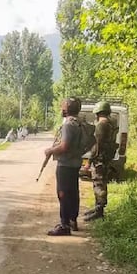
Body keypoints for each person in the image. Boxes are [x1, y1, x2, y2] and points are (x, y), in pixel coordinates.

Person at [44, 97, 84, 235]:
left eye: (63, 106)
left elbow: (64, 146)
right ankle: (72, 220)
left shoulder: (68, 124)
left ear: (67, 109)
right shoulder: (79, 123)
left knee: (63, 194)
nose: (61, 108)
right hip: (75, 163)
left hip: (66, 165)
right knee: (73, 193)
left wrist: (50, 150)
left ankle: (64, 225)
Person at [84, 101, 117, 222]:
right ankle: (97, 207)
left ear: (97, 113)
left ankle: (99, 211)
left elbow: (97, 146)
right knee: (100, 183)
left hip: (100, 159)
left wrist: (89, 160)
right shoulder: (111, 124)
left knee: (99, 184)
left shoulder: (101, 125)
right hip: (105, 158)